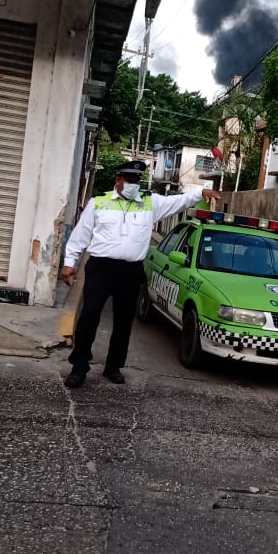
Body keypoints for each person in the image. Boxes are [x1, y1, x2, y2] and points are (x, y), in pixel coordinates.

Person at [61, 159, 220, 388]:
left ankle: (113, 367)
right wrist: (69, 263)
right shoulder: (99, 203)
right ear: (118, 180)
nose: (133, 184)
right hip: (101, 268)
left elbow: (178, 201)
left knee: (124, 321)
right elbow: (80, 236)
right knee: (89, 316)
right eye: (129, 179)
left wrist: (200, 192)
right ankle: (79, 367)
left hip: (131, 270)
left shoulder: (149, 202)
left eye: (136, 180)